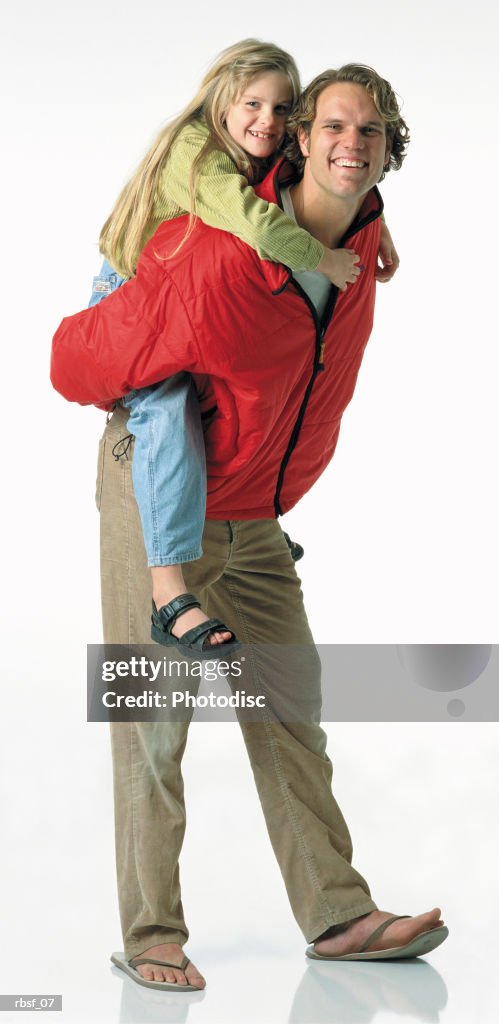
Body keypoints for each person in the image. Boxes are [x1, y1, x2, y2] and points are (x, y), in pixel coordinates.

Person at [51, 63, 448, 992]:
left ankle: (339, 916)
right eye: (335, 127)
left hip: (253, 518)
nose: (352, 143)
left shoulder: (359, 248)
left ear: (389, 151)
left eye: (372, 132)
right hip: (156, 506)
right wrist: (152, 407)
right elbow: (79, 358)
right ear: (301, 137)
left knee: (291, 713)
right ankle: (151, 932)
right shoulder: (223, 255)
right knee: (153, 720)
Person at [87, 38, 399, 655]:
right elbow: (258, 224)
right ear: (218, 102)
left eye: (283, 109)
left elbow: (332, 173)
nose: (269, 121)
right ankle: (169, 587)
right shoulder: (201, 158)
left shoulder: (262, 156)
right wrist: (325, 259)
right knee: (166, 405)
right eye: (251, 104)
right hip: (127, 292)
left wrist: (375, 220)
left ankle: (247, 530)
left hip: (230, 462)